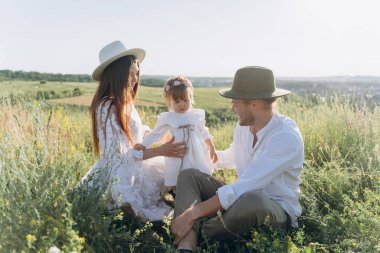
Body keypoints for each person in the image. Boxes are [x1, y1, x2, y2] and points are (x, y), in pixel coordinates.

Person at [171, 66, 304, 252]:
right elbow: (232, 156)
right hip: (239, 197)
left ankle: (199, 231)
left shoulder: (285, 137)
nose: (233, 109)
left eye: (235, 103)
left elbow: (245, 186)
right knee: (189, 175)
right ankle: (188, 244)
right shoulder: (244, 125)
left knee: (252, 200)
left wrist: (193, 213)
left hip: (272, 207)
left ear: (254, 104)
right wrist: (201, 154)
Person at [80, 41, 186, 221]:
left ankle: (187, 205)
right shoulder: (106, 107)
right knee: (137, 201)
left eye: (137, 74)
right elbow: (120, 157)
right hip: (120, 173)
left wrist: (150, 134)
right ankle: (127, 211)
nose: (135, 80)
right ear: (116, 74)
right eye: (131, 74)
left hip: (135, 163)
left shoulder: (124, 100)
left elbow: (133, 131)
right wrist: (161, 150)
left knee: (176, 167)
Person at [134, 75, 218, 187]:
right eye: (177, 101)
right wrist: (144, 144)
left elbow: (204, 131)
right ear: (169, 101)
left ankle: (199, 188)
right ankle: (178, 190)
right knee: (178, 173)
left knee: (198, 170)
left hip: (195, 151)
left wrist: (211, 146)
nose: (182, 104)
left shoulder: (195, 115)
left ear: (191, 98)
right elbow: (156, 134)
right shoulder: (169, 117)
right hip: (178, 152)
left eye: (185, 100)